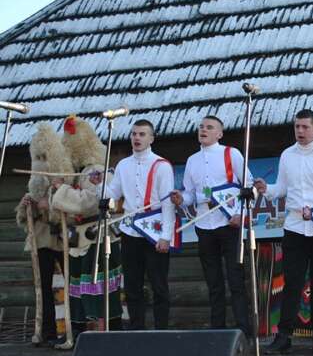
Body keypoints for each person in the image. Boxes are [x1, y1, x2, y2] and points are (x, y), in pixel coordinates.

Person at [254, 109, 313, 354]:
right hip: (295, 227)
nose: (300, 131)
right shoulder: (287, 155)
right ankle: (284, 336)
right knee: (292, 283)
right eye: (297, 127)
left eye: (305, 127)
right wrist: (267, 189)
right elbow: (282, 189)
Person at [171, 116, 254, 335]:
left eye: (209, 127)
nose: (203, 130)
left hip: (229, 225)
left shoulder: (231, 154)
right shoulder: (192, 160)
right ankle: (217, 330)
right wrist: (181, 198)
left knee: (235, 279)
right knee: (213, 281)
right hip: (204, 226)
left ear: (220, 133)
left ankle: (244, 330)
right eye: (201, 127)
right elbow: (190, 194)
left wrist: (239, 214)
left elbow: (249, 187)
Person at [50, 116, 123, 335]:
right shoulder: (73, 170)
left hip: (97, 236)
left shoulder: (97, 170)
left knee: (99, 288)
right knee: (76, 288)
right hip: (76, 238)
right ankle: (78, 333)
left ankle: (109, 332)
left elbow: (91, 202)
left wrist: (62, 192)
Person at [105, 119, 175, 330]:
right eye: (134, 133)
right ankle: (137, 330)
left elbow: (168, 203)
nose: (137, 137)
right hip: (129, 232)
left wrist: (166, 236)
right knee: (133, 286)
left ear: (151, 138)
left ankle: (161, 331)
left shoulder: (162, 165)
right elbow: (112, 195)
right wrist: (99, 183)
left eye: (142, 134)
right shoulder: (123, 165)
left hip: (154, 233)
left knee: (159, 286)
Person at [16, 123, 74, 345]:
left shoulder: (63, 182)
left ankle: (69, 330)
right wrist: (27, 207)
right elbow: (24, 219)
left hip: (62, 240)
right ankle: (47, 331)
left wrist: (48, 205)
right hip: (40, 241)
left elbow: (69, 210)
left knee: (70, 286)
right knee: (44, 288)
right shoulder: (35, 182)